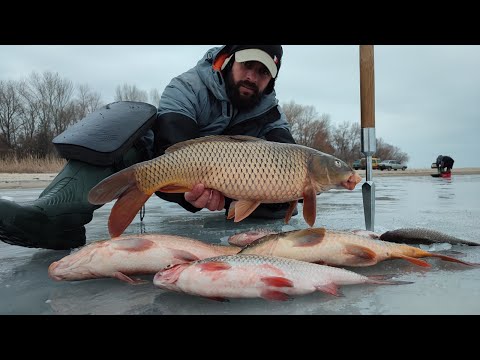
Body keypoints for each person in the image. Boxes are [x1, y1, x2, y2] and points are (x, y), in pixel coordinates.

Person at [0, 45, 297, 250]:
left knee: (284, 193)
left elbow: (288, 150)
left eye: (263, 72)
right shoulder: (188, 86)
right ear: (228, 59)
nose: (252, 77)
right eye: (248, 66)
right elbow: (172, 143)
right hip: (180, 171)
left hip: (235, 188)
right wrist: (190, 196)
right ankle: (55, 216)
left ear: (272, 79)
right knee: (129, 128)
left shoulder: (269, 110)